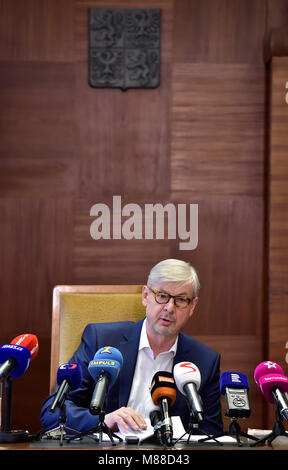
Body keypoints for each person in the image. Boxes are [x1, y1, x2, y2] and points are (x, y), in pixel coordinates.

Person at [40, 259, 223, 437]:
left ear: (192, 306)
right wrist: (104, 421)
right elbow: (52, 412)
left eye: (181, 300)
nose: (169, 308)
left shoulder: (205, 361)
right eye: (162, 296)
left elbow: (211, 434)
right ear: (146, 296)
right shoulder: (101, 341)